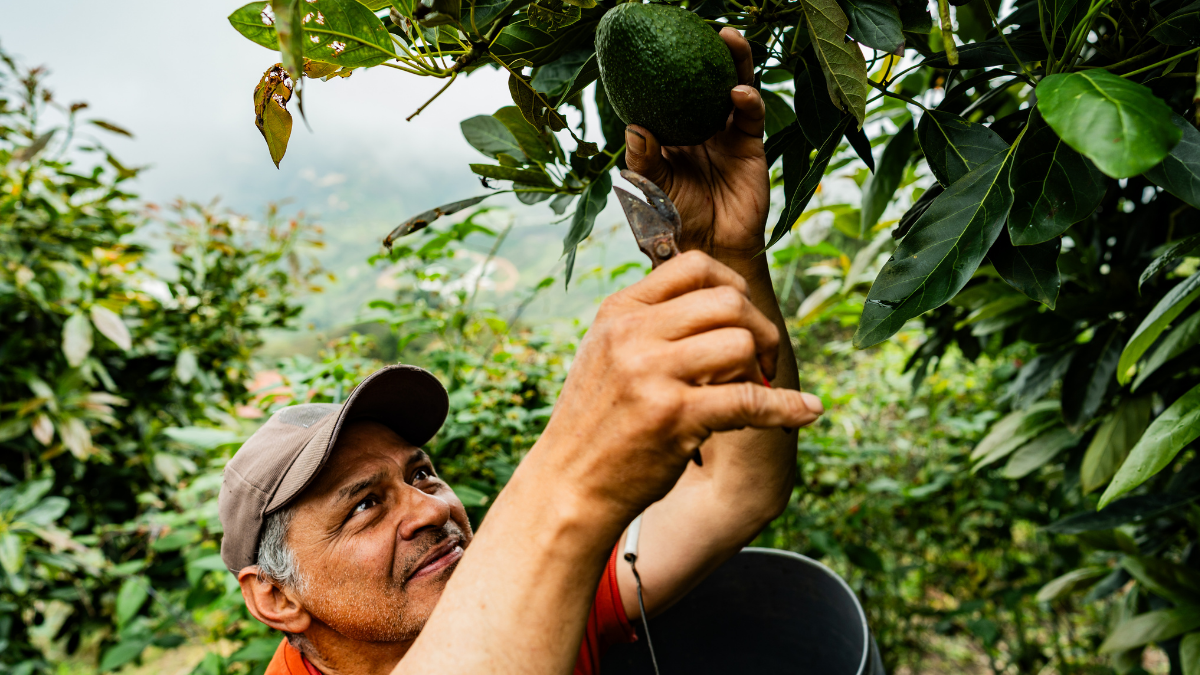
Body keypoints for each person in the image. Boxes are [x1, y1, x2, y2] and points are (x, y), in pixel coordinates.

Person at [216, 28, 825, 675]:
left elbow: (735, 487)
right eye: (365, 504)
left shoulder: (531, 589)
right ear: (275, 595)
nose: (432, 507)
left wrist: (721, 250)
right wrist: (577, 465)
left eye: (420, 473)